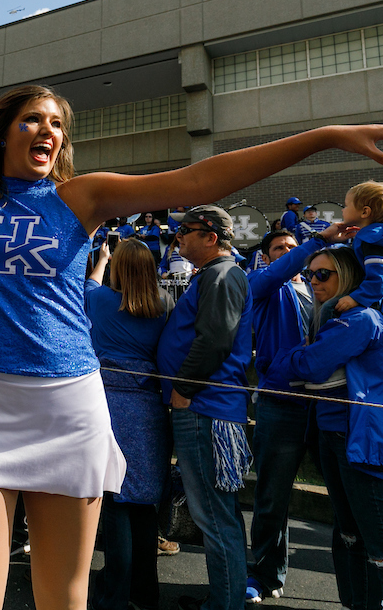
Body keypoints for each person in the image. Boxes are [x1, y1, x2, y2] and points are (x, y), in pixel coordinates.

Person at [0, 0, 383, 610]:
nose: (48, 131)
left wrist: (321, 135)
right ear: (2, 133)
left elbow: (196, 179)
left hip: (65, 403)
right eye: (33, 119)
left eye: (57, 124)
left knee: (62, 597)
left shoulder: (83, 197)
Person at [267, 246, 383, 610]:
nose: (313, 281)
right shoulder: (331, 319)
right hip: (332, 434)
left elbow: (308, 366)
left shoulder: (361, 319)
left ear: (348, 278)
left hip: (361, 440)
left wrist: (289, 359)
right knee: (349, 537)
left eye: (324, 274)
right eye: (310, 274)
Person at [245, 221, 354, 604]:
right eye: (281, 248)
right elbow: (276, 273)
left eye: (294, 247)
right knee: (272, 496)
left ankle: (358, 589)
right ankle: (263, 573)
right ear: (266, 256)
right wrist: (317, 241)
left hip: (329, 407)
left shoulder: (329, 291)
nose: (293, 252)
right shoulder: (263, 287)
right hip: (281, 404)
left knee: (347, 499)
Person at [156, 206, 254, 610]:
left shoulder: (221, 274)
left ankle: (225, 604)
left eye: (187, 231)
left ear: (211, 236)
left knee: (213, 516)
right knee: (217, 514)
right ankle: (223, 598)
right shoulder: (216, 275)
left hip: (204, 406)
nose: (179, 238)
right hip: (207, 405)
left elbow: (215, 339)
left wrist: (184, 387)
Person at [84, 240, 169, 610]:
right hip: (149, 405)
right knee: (143, 503)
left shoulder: (102, 300)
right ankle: (145, 592)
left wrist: (102, 259)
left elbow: (88, 285)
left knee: (116, 499)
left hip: (109, 403)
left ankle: (114, 594)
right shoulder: (165, 304)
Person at [334, 181, 383, 343]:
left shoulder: (375, 238)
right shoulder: (376, 235)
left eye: (346, 205)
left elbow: (381, 278)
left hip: (382, 308)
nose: (343, 209)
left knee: (330, 308)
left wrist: (357, 298)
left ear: (365, 212)